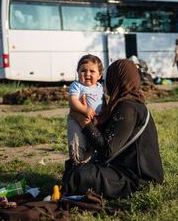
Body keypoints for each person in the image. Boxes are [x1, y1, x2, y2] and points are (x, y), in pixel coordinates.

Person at [62, 59, 164, 199]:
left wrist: (83, 122)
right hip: (123, 169)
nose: (107, 83)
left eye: (110, 78)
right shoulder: (126, 104)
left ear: (116, 79)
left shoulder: (128, 108)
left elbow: (107, 151)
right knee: (73, 167)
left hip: (139, 180)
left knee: (79, 174)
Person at [67, 54, 104, 166]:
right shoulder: (77, 85)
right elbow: (73, 101)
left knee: (91, 145)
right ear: (78, 72)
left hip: (94, 122)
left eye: (92, 71)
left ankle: (87, 165)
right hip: (77, 121)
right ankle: (76, 162)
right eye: (83, 71)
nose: (87, 74)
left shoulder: (100, 87)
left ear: (99, 75)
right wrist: (84, 109)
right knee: (78, 143)